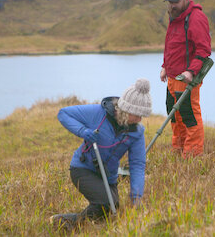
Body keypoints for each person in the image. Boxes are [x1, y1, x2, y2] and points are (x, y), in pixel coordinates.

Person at [50, 78, 152, 230]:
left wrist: (136, 197)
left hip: (108, 175)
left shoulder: (136, 132)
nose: (140, 119)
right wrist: (83, 131)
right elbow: (63, 114)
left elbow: (137, 165)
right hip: (83, 169)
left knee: (112, 209)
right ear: (126, 109)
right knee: (104, 203)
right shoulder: (98, 113)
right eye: (137, 115)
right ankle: (69, 226)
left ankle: (64, 221)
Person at [160, 0, 211, 158]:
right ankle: (178, 150)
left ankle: (192, 155)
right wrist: (164, 66)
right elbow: (171, 45)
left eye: (175, 2)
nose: (172, 5)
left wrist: (191, 72)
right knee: (174, 115)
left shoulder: (196, 18)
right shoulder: (174, 16)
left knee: (189, 115)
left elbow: (203, 50)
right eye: (170, 2)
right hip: (172, 77)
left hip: (187, 78)